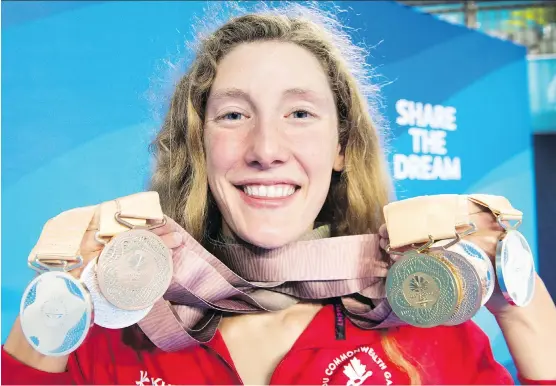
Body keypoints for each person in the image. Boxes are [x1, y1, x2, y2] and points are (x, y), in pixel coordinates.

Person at [3, 3, 556, 385]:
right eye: (234, 114)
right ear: (198, 143)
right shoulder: (115, 337)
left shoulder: (429, 338)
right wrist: (60, 294)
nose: (265, 147)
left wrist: (509, 276)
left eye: (299, 113)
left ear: (341, 146)